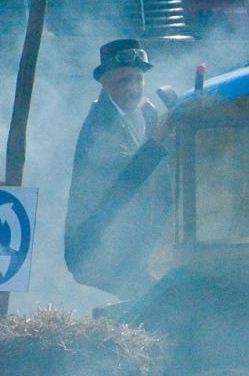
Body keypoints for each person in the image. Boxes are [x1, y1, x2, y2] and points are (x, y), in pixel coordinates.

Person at [64, 38, 173, 295]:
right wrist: (159, 139)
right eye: (124, 81)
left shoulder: (144, 112)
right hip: (100, 249)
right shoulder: (99, 124)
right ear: (105, 83)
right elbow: (125, 179)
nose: (134, 88)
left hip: (135, 243)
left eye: (139, 79)